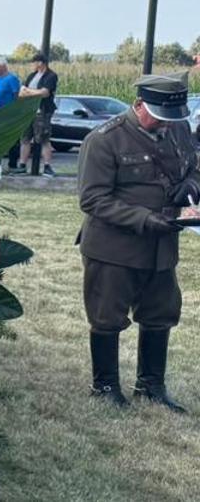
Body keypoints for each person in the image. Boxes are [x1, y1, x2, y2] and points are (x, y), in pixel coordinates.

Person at [76, 74, 199, 409]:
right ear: (140, 104)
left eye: (172, 116)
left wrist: (191, 187)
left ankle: (151, 387)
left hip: (163, 246)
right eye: (159, 114)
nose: (165, 123)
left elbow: (194, 167)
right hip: (114, 246)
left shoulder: (178, 129)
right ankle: (105, 388)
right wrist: (144, 219)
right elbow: (93, 200)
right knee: (107, 316)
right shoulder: (105, 140)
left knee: (161, 312)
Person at [19, 56, 61, 176]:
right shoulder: (32, 76)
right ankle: (22, 165)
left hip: (42, 112)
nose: (32, 65)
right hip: (28, 112)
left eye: (34, 62)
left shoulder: (51, 76)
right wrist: (31, 92)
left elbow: (45, 93)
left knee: (43, 139)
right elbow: (21, 92)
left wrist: (29, 91)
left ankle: (47, 166)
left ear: (40, 63)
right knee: (25, 139)